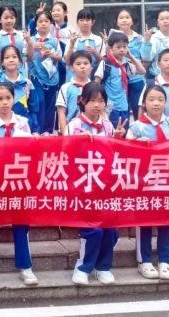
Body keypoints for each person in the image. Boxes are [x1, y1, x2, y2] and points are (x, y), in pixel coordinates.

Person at [0, 82, 38, 289]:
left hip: (17, 179)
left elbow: (29, 151)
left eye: (8, 98)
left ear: (14, 99)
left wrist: (34, 141)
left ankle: (25, 266)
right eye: (0, 99)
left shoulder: (22, 123)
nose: (4, 102)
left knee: (21, 223)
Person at [65, 82, 125, 286]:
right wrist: (77, 141)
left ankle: (103, 267)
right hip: (83, 187)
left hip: (105, 187)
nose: (96, 105)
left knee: (110, 230)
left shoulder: (108, 126)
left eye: (100, 101)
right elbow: (63, 152)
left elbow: (115, 155)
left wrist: (117, 140)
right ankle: (83, 267)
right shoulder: (74, 125)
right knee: (93, 230)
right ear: (83, 101)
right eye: (92, 100)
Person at [126, 85, 169, 280]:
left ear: (166, 103)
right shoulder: (136, 127)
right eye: (151, 99)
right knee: (145, 222)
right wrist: (137, 146)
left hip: (167, 181)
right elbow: (126, 154)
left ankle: (166, 260)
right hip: (144, 183)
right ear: (144, 103)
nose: (156, 103)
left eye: (160, 99)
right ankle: (145, 260)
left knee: (168, 221)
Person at [94, 32, 145, 129]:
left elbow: (142, 71)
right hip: (110, 107)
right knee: (111, 132)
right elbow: (96, 82)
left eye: (125, 47)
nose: (122, 50)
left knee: (124, 132)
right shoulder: (106, 63)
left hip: (124, 106)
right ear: (110, 48)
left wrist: (131, 56)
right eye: (118, 47)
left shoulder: (125, 65)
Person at [0, 45, 41, 134]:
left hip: (23, 128)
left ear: (19, 61)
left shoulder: (27, 83)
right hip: (1, 128)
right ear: (2, 62)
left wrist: (35, 130)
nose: (11, 60)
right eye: (7, 57)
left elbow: (33, 108)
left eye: (14, 57)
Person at [28, 10, 62, 133]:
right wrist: (32, 47)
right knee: (40, 102)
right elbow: (27, 58)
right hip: (36, 77)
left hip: (52, 78)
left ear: (50, 24)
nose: (43, 24)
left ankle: (48, 132)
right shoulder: (31, 40)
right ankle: (38, 130)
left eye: (46, 21)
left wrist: (51, 55)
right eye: (40, 21)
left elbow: (60, 58)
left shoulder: (54, 41)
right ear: (36, 24)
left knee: (50, 105)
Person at [109, 9, 145, 120]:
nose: (124, 20)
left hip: (136, 79)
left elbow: (145, 58)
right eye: (121, 18)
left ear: (132, 21)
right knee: (121, 111)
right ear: (116, 22)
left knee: (138, 109)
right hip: (118, 80)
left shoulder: (139, 39)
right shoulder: (111, 38)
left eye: (127, 17)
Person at [56, 50, 92, 135]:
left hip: (91, 130)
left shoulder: (95, 87)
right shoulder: (65, 87)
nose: (82, 66)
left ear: (91, 67)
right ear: (72, 68)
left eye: (86, 63)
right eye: (78, 64)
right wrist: (65, 133)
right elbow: (61, 112)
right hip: (72, 131)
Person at [64, 9, 104, 76]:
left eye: (87, 20)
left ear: (93, 22)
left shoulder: (98, 40)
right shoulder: (72, 39)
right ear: (77, 22)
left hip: (92, 77)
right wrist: (71, 45)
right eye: (81, 20)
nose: (85, 23)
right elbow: (67, 62)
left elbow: (103, 62)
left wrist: (95, 52)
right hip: (73, 77)